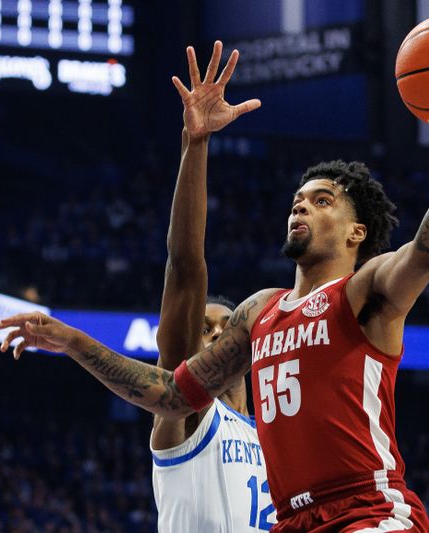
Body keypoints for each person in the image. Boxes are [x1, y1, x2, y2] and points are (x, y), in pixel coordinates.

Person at [0, 39, 429, 532]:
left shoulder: (364, 292)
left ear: (358, 233)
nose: (300, 205)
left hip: (367, 509)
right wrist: (72, 341)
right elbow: (172, 391)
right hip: (293, 521)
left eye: (321, 199)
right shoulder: (259, 311)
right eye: (297, 199)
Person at [149, 41, 273, 532]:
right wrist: (195, 144)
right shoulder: (189, 414)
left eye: (226, 327)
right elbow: (185, 267)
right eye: (205, 329)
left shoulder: (274, 439)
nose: (218, 336)